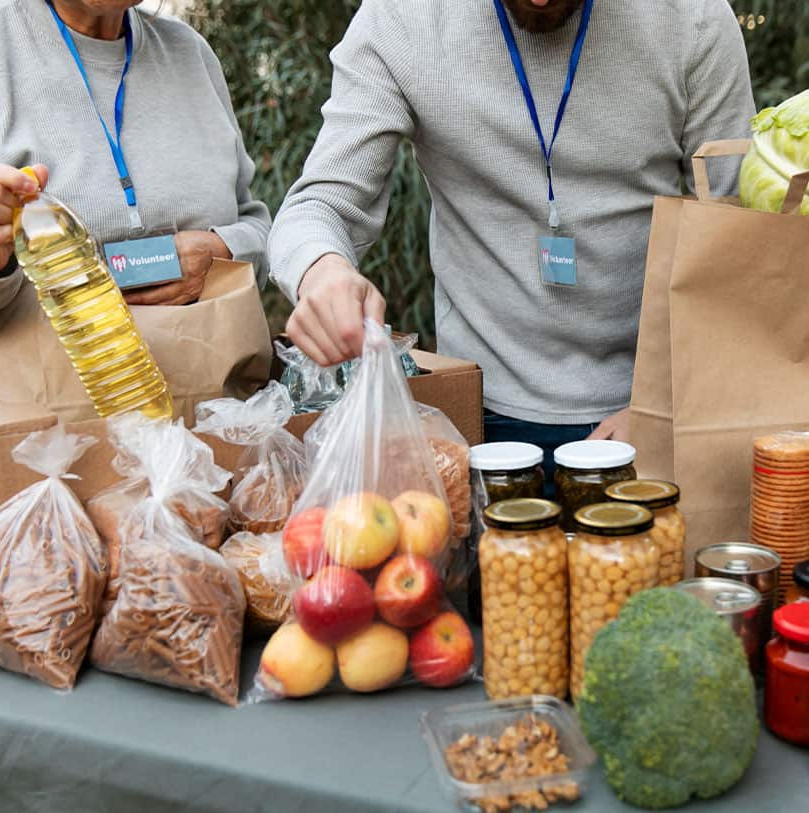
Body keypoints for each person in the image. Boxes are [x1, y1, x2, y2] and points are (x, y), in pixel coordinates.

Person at [267, 0, 755, 474]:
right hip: (476, 414)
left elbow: (738, 243)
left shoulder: (693, 21)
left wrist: (664, 407)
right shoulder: (402, 18)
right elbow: (321, 203)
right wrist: (322, 270)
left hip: (654, 408)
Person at [0, 0, 270, 323]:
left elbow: (257, 226)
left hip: (207, 367)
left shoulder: (191, 53)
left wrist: (223, 253)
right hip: (47, 370)